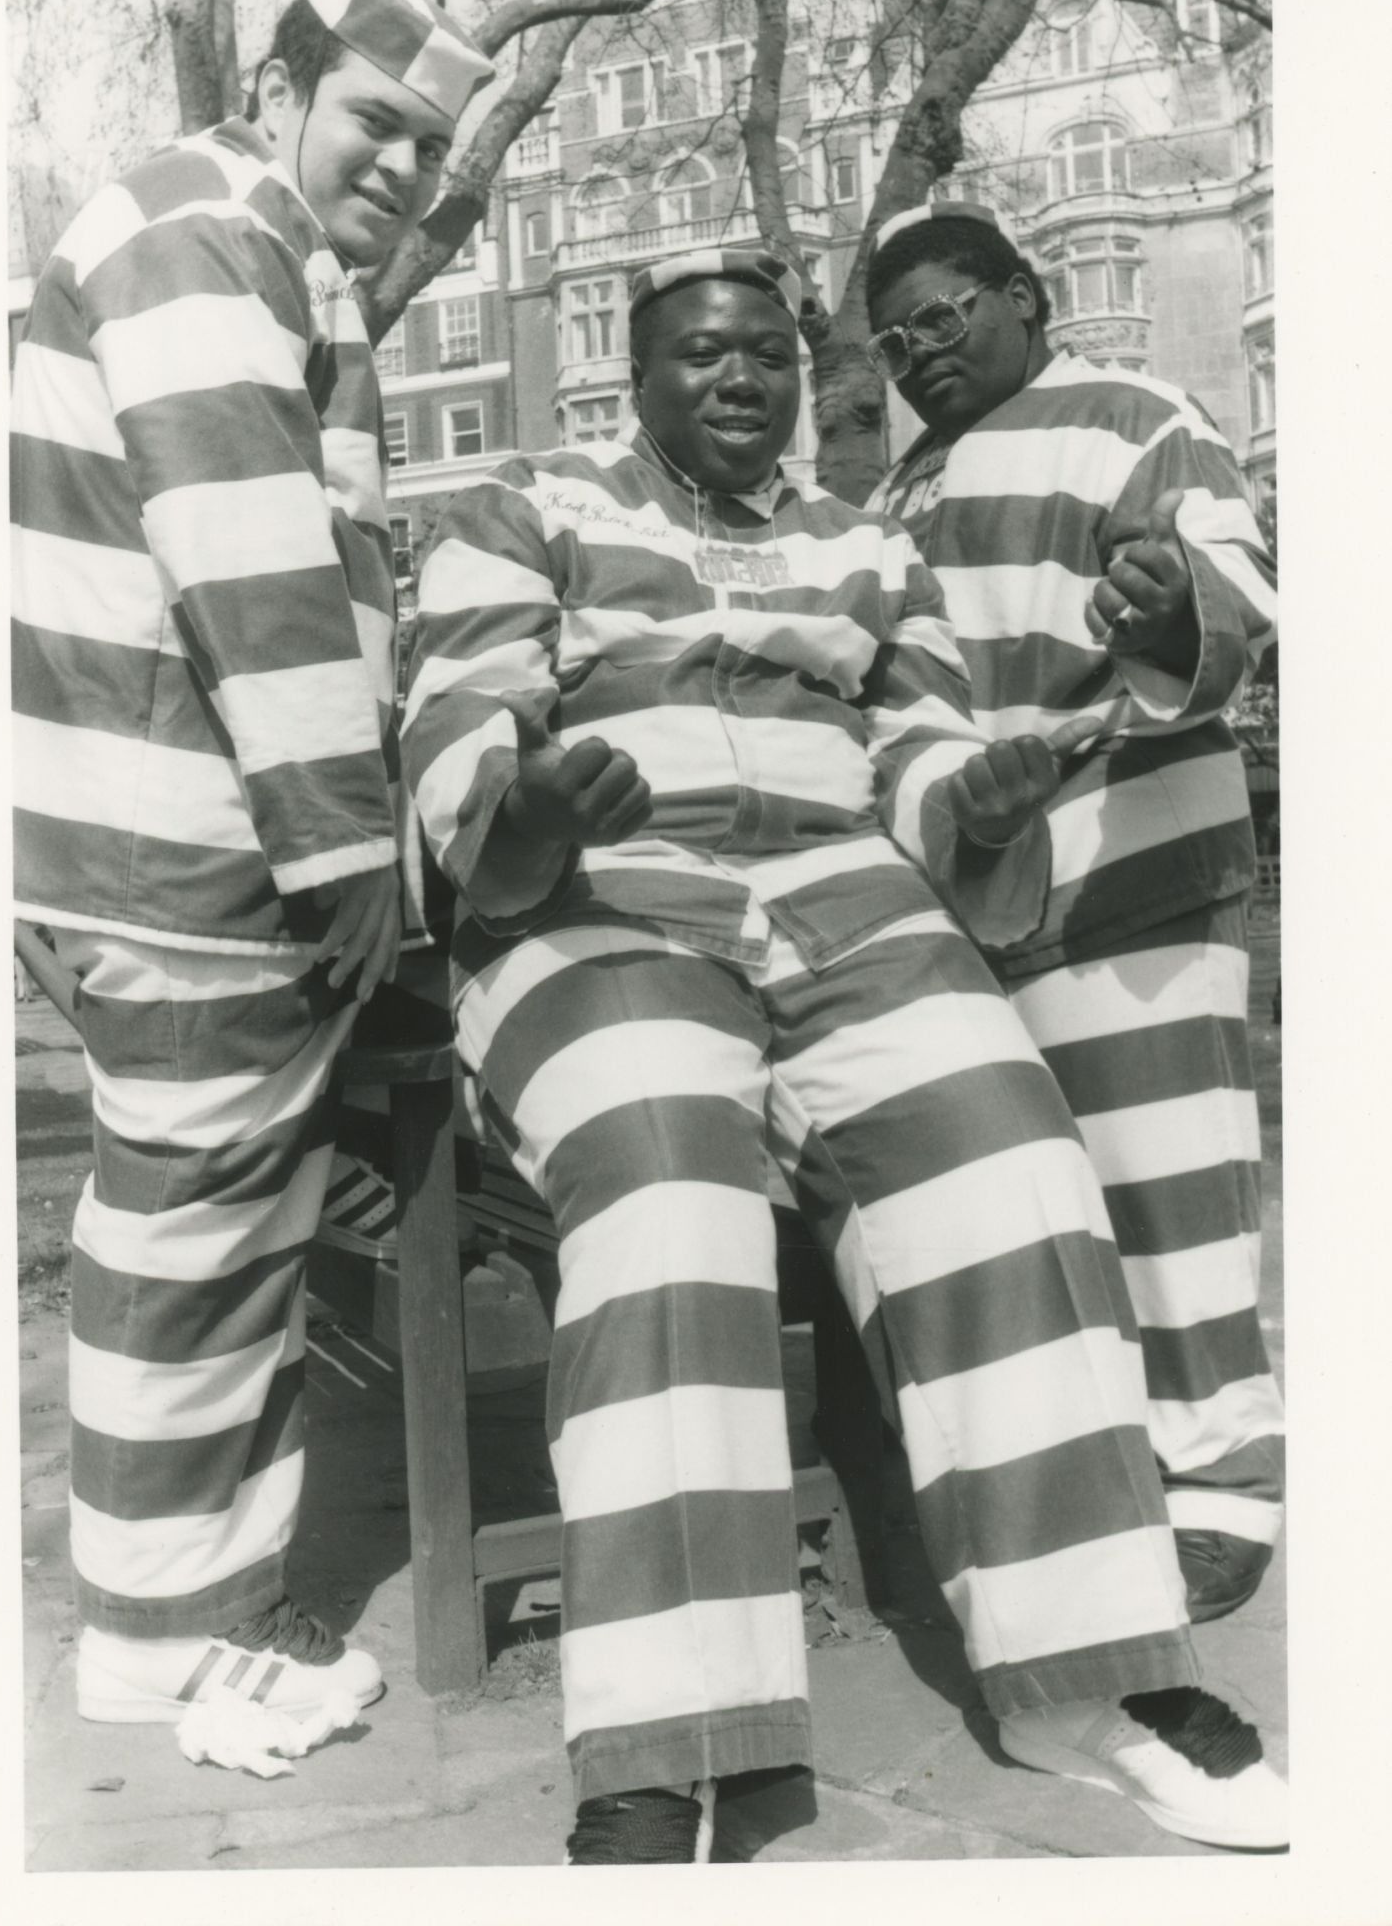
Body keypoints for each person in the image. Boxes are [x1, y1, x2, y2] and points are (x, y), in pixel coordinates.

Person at [399, 245, 1288, 1863]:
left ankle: (1090, 1680)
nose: (738, 376)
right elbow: (459, 717)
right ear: (635, 379)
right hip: (601, 905)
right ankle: (670, 1747)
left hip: (845, 901)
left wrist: (977, 803)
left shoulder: (867, 543)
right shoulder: (528, 502)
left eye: (767, 354)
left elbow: (923, 743)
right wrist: (523, 808)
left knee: (1012, 1159)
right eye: (699, 354)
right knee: (669, 1190)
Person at [11, 0, 493, 1725]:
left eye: (431, 148)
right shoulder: (212, 234)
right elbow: (249, 559)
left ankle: (187, 1596)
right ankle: (167, 1640)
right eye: (376, 121)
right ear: (283, 92)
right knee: (192, 1241)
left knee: (203, 1222)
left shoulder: (231, 232)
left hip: (159, 845)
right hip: (194, 855)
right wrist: (346, 854)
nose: (405, 170)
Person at [864, 202, 1284, 1623]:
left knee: (1170, 1186)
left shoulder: (1132, 413)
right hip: (974, 874)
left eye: (943, 315)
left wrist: (1169, 605)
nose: (920, 352)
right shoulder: (899, 491)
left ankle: (1224, 1475)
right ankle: (1111, 1477)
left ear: (1023, 298)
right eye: (892, 342)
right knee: (1052, 1201)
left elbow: (1236, 577)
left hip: (1130, 855)